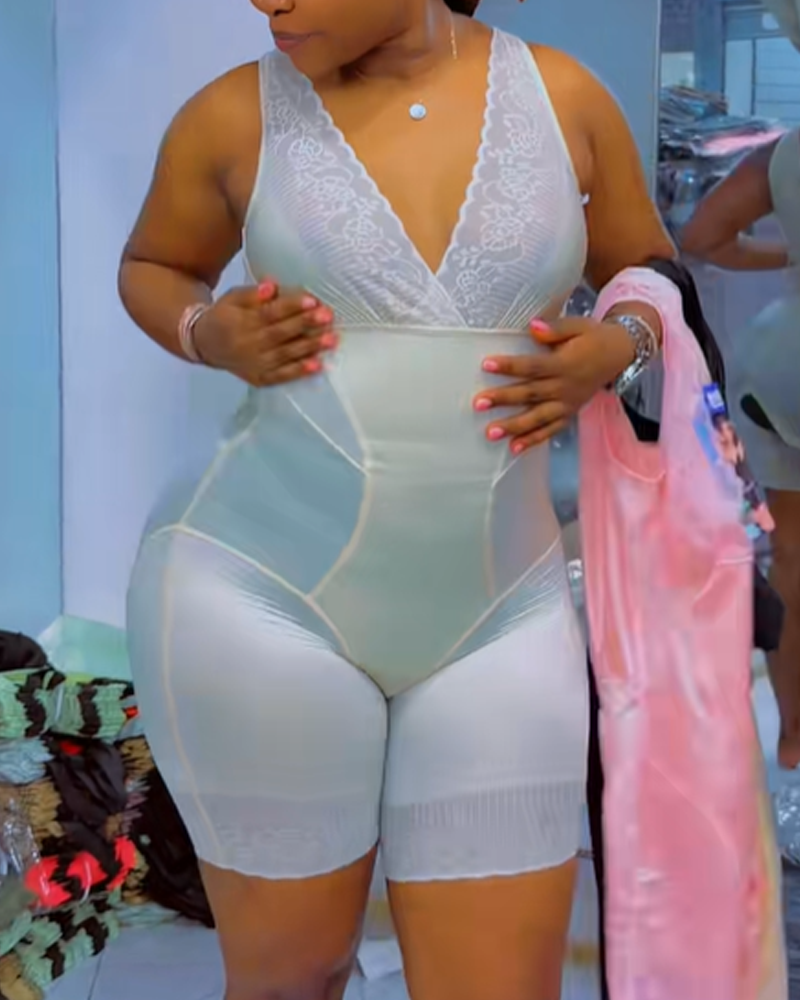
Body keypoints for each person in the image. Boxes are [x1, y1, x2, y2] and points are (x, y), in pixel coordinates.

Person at [118, 1, 674, 998]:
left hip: (501, 617)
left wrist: (618, 344)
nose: (267, 1)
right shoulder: (232, 113)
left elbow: (646, 267)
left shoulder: (563, 97)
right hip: (259, 597)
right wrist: (207, 331)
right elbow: (154, 265)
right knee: (293, 979)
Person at [680, 121, 800, 770]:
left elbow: (703, 237)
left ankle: (793, 736)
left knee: (791, 558)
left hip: (779, 362)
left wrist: (789, 255)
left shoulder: (785, 151)